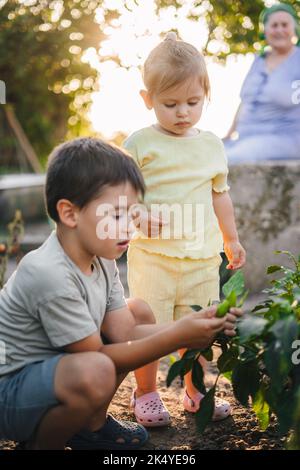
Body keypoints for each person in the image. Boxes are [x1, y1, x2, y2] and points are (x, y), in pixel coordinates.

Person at [0, 137, 242, 450]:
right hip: (10, 394)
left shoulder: (100, 255)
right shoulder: (48, 273)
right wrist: (180, 335)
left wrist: (197, 321)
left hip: (51, 374)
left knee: (138, 311)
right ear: (70, 214)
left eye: (133, 214)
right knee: (96, 369)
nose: (129, 228)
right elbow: (98, 357)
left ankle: (90, 426)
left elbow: (126, 331)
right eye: (116, 215)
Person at [123, 33, 246, 428]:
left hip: (200, 258)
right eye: (170, 104)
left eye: (193, 103)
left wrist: (232, 238)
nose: (182, 113)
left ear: (205, 96)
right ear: (148, 99)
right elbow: (119, 193)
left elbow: (220, 196)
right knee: (148, 330)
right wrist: (137, 214)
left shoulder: (211, 145)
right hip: (153, 257)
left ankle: (196, 392)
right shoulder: (139, 144)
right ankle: (145, 392)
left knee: (200, 333)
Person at [224, 3, 300, 163]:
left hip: (283, 138)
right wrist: (229, 135)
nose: (279, 30)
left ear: (294, 29)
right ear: (265, 31)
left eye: (284, 25)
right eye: (274, 25)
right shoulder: (259, 60)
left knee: (228, 160)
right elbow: (244, 102)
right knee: (206, 152)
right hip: (244, 139)